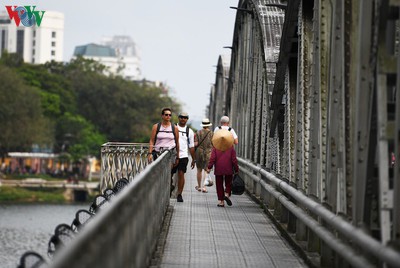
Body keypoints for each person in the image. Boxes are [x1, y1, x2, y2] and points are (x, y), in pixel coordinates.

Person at [147, 107, 180, 189]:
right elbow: (151, 140)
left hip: (170, 153)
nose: (168, 116)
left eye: (170, 115)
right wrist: (150, 153)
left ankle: (167, 188)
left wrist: (178, 156)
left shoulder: (174, 128)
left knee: (167, 172)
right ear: (162, 116)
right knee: (158, 172)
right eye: (166, 115)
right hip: (158, 152)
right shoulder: (156, 127)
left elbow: (177, 142)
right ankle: (160, 188)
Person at [206, 129, 239, 207]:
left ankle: (221, 202)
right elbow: (234, 160)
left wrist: (209, 167)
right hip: (229, 168)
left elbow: (212, 159)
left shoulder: (216, 148)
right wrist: (236, 169)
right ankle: (227, 194)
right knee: (229, 183)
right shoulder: (231, 148)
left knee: (219, 185)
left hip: (219, 169)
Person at [171, 112, 196, 202]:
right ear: (178, 118)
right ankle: (170, 186)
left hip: (183, 156)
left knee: (181, 173)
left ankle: (179, 194)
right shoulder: (173, 127)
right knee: (170, 174)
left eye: (185, 117)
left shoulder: (189, 131)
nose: (183, 119)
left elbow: (191, 146)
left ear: (187, 119)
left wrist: (194, 159)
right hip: (172, 155)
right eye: (181, 117)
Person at [194, 118, 214, 193]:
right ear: (208, 125)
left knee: (199, 170)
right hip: (209, 152)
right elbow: (214, 144)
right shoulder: (212, 133)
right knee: (206, 170)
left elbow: (195, 144)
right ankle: (204, 187)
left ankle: (199, 187)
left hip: (199, 152)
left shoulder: (198, 133)